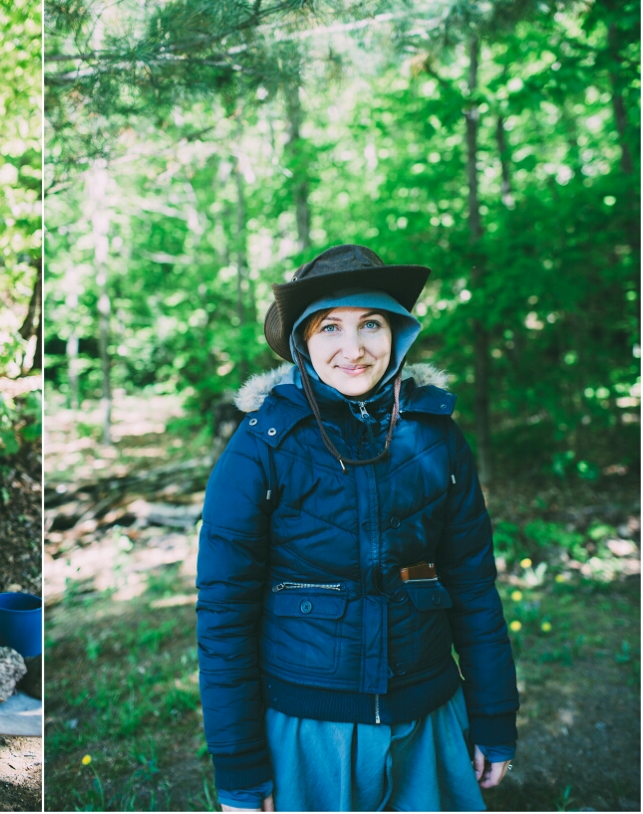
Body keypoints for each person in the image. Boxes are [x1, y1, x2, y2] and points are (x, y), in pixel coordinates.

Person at [197, 244, 519, 812]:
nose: (354, 348)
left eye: (371, 323)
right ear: (302, 342)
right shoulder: (261, 446)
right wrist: (241, 767)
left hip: (427, 716)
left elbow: (472, 585)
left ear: (397, 332)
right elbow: (224, 613)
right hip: (307, 726)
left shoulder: (437, 436)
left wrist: (493, 716)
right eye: (330, 328)